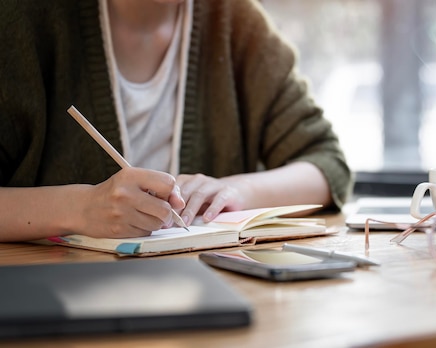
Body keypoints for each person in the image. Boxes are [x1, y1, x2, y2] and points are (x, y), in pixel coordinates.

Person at [0, 0, 352, 242]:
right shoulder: (23, 21)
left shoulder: (236, 21)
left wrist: (236, 192)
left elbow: (327, 166)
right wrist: (81, 208)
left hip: (210, 301)